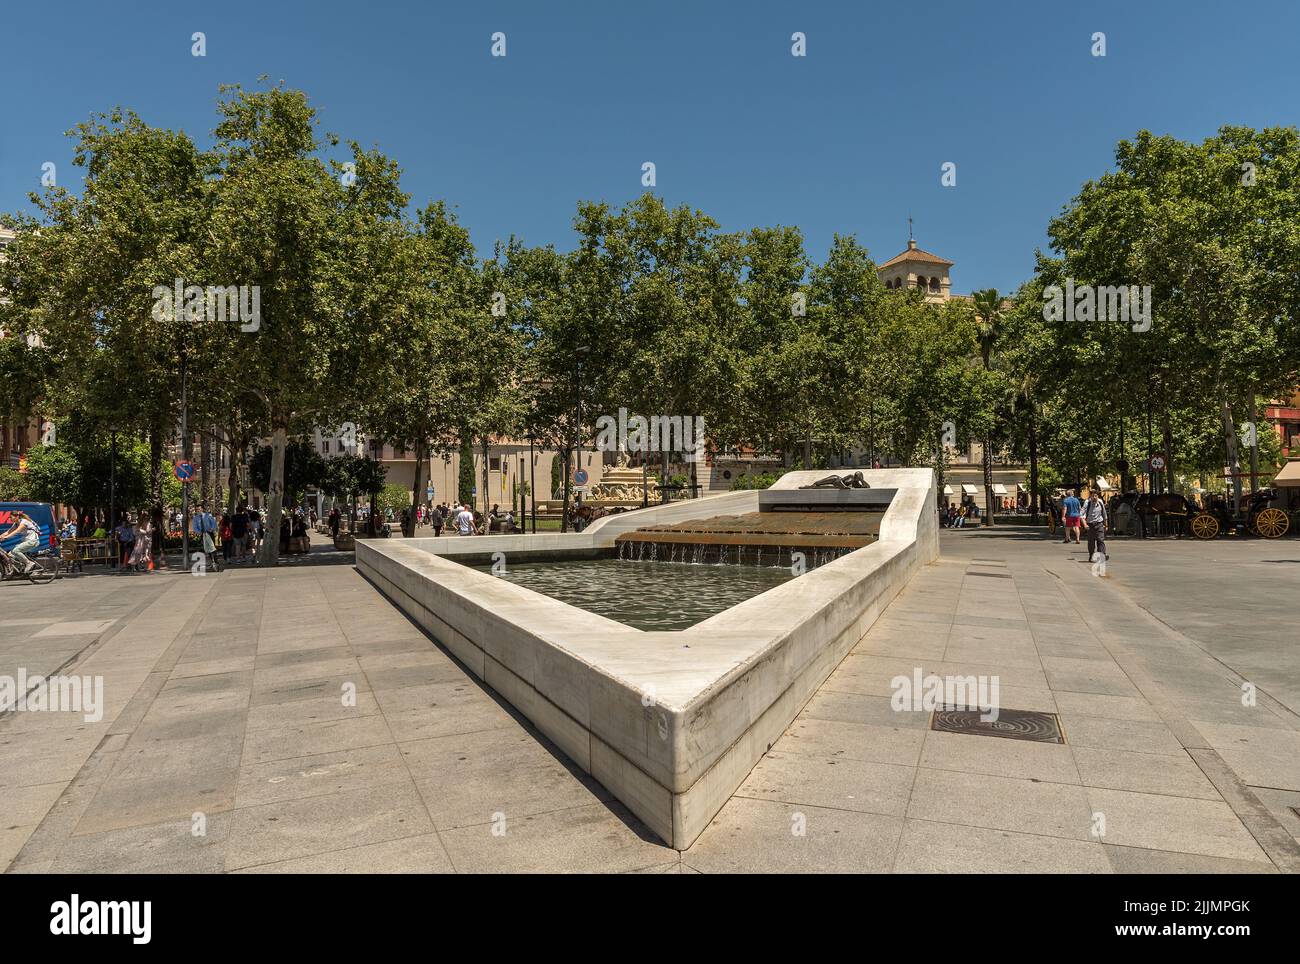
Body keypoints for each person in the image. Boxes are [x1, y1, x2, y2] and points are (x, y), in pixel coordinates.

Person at [0, 510, 43, 575]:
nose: (10, 519)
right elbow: (8, 532)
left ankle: (29, 563)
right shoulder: (16, 523)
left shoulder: (24, 522)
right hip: (26, 541)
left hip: (32, 541)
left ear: (17, 516)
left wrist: (6, 537)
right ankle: (20, 569)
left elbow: (16, 531)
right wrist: (0, 536)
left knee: (15, 551)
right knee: (10, 555)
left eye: (11, 517)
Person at [1082, 488, 1109, 563]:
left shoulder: (1100, 502)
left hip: (1099, 524)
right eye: (1093, 496)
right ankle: (1091, 555)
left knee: (1100, 540)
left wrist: (1106, 525)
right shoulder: (1087, 503)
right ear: (1090, 496)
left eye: (1096, 496)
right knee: (1091, 542)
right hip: (1090, 525)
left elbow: (1104, 514)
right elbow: (1081, 515)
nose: (1094, 497)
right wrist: (1085, 525)